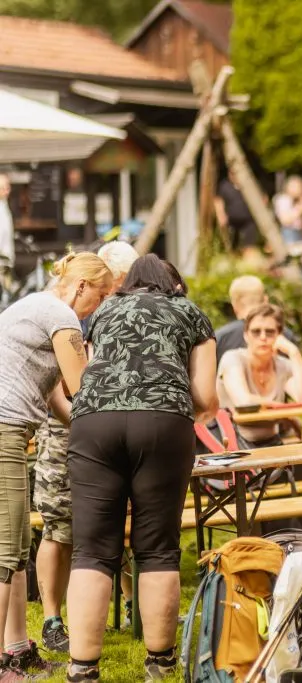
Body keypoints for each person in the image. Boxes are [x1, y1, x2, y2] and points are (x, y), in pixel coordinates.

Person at [65, 255, 216, 683]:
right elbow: (206, 396)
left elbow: (89, 373)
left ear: (127, 283)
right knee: (157, 548)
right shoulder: (189, 312)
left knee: (91, 550)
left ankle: (82, 668)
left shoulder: (104, 312)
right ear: (175, 285)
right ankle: (160, 663)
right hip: (163, 423)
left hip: (94, 422)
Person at [0, 253, 110, 679]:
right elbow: (82, 389)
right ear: (81, 286)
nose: (99, 306)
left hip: (12, 429)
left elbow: (54, 398)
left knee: (16, 546)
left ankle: (17, 650)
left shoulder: (36, 307)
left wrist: (88, 433)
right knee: (6, 551)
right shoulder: (62, 316)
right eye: (101, 295)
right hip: (5, 429)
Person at [34, 242, 138, 654]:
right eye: (113, 287)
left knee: (118, 514)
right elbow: (57, 387)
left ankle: (132, 604)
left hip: (105, 424)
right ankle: (52, 620)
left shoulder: (113, 311)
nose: (117, 294)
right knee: (59, 527)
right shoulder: (60, 311)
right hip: (65, 430)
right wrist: (81, 421)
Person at [217, 304, 302, 447]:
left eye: (270, 332)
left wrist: (294, 352)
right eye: (256, 332)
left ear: (279, 336)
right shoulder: (233, 359)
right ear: (246, 335)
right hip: (231, 444)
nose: (263, 337)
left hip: (271, 442)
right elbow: (244, 402)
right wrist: (285, 412)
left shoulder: (283, 365)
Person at [214, 275, 297, 364]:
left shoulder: (219, 338)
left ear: (234, 304)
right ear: (266, 300)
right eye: (255, 332)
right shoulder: (285, 336)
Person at [215, 169, 265, 251]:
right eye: (232, 173)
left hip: (249, 220)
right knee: (232, 245)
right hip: (231, 221)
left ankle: (248, 254)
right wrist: (221, 215)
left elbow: (262, 198)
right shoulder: (225, 186)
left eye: (235, 173)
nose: (234, 175)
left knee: (249, 245)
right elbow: (218, 201)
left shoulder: (249, 184)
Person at [272, 175, 302, 245]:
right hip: (289, 232)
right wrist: (300, 209)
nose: (299, 189)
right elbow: (285, 221)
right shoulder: (282, 199)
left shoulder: (298, 199)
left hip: (300, 231)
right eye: (298, 186)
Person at [0, 174, 13, 272]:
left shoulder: (4, 204)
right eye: (3, 188)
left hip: (6, 264)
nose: (7, 191)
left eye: (8, 187)